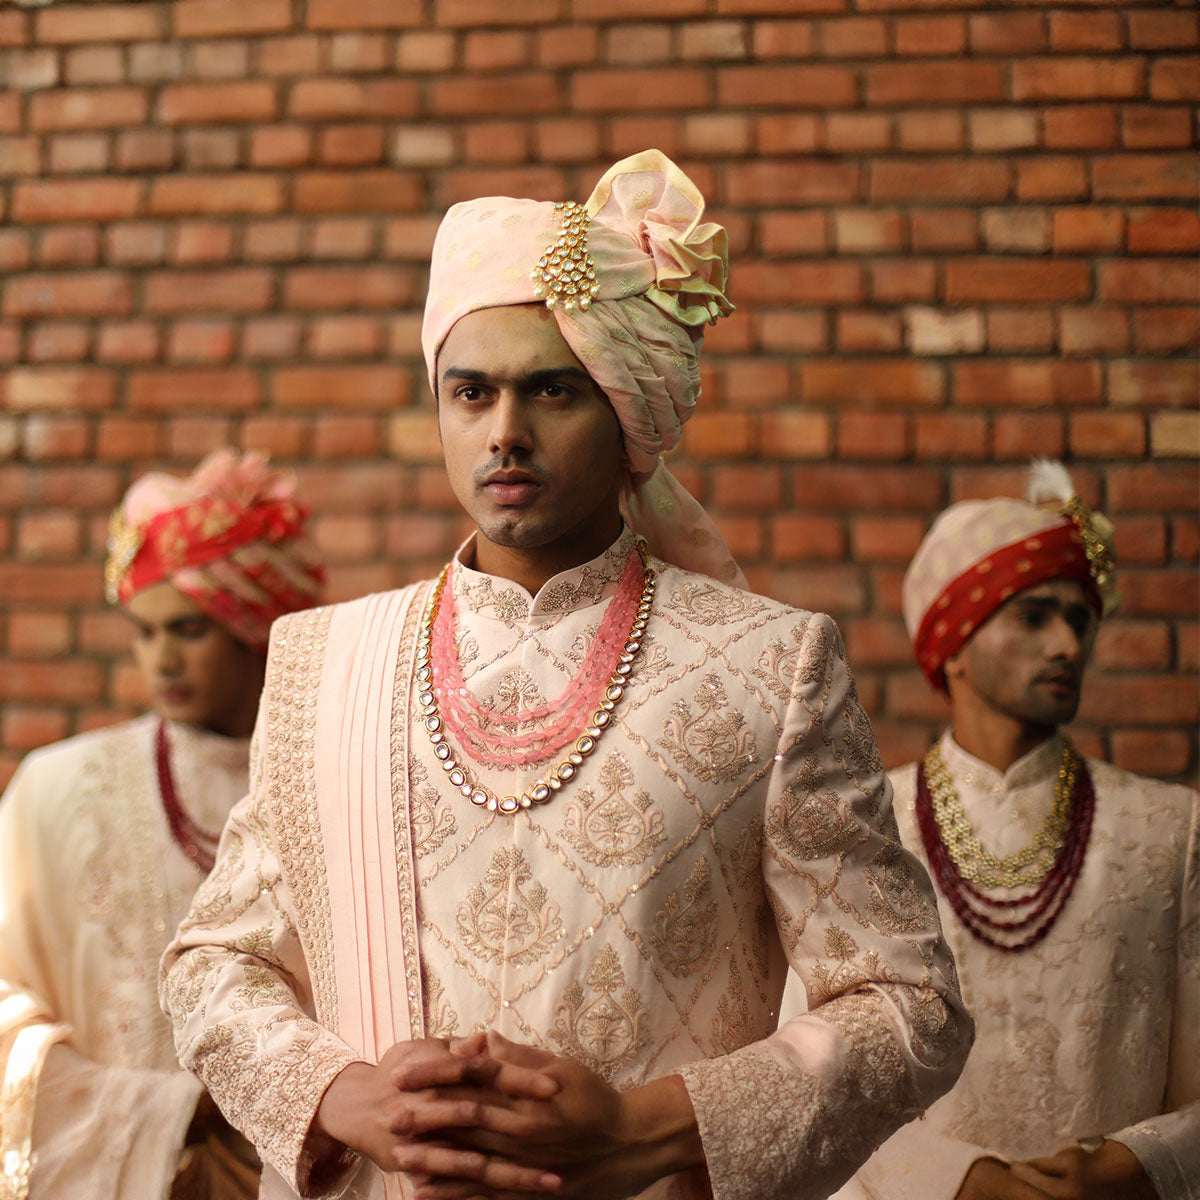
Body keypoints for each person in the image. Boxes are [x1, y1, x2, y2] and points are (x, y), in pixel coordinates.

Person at [161, 150, 972, 1200]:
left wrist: (645, 1130)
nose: (504, 432)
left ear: (629, 415)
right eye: (471, 392)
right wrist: (342, 1095)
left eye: (553, 389)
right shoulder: (326, 664)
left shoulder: (772, 666)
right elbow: (212, 963)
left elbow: (909, 1001)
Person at [793, 462, 1198, 1200]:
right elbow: (809, 1075)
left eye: (1080, 619)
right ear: (953, 642)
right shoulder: (862, 821)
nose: (1069, 646)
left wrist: (1134, 1164)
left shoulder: (1172, 828)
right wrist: (960, 1181)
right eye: (1034, 616)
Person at [0, 449, 325, 1200]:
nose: (162, 660)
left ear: (257, 628)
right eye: (144, 633)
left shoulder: (336, 778)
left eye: (189, 629)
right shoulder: (60, 792)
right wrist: (171, 1113)